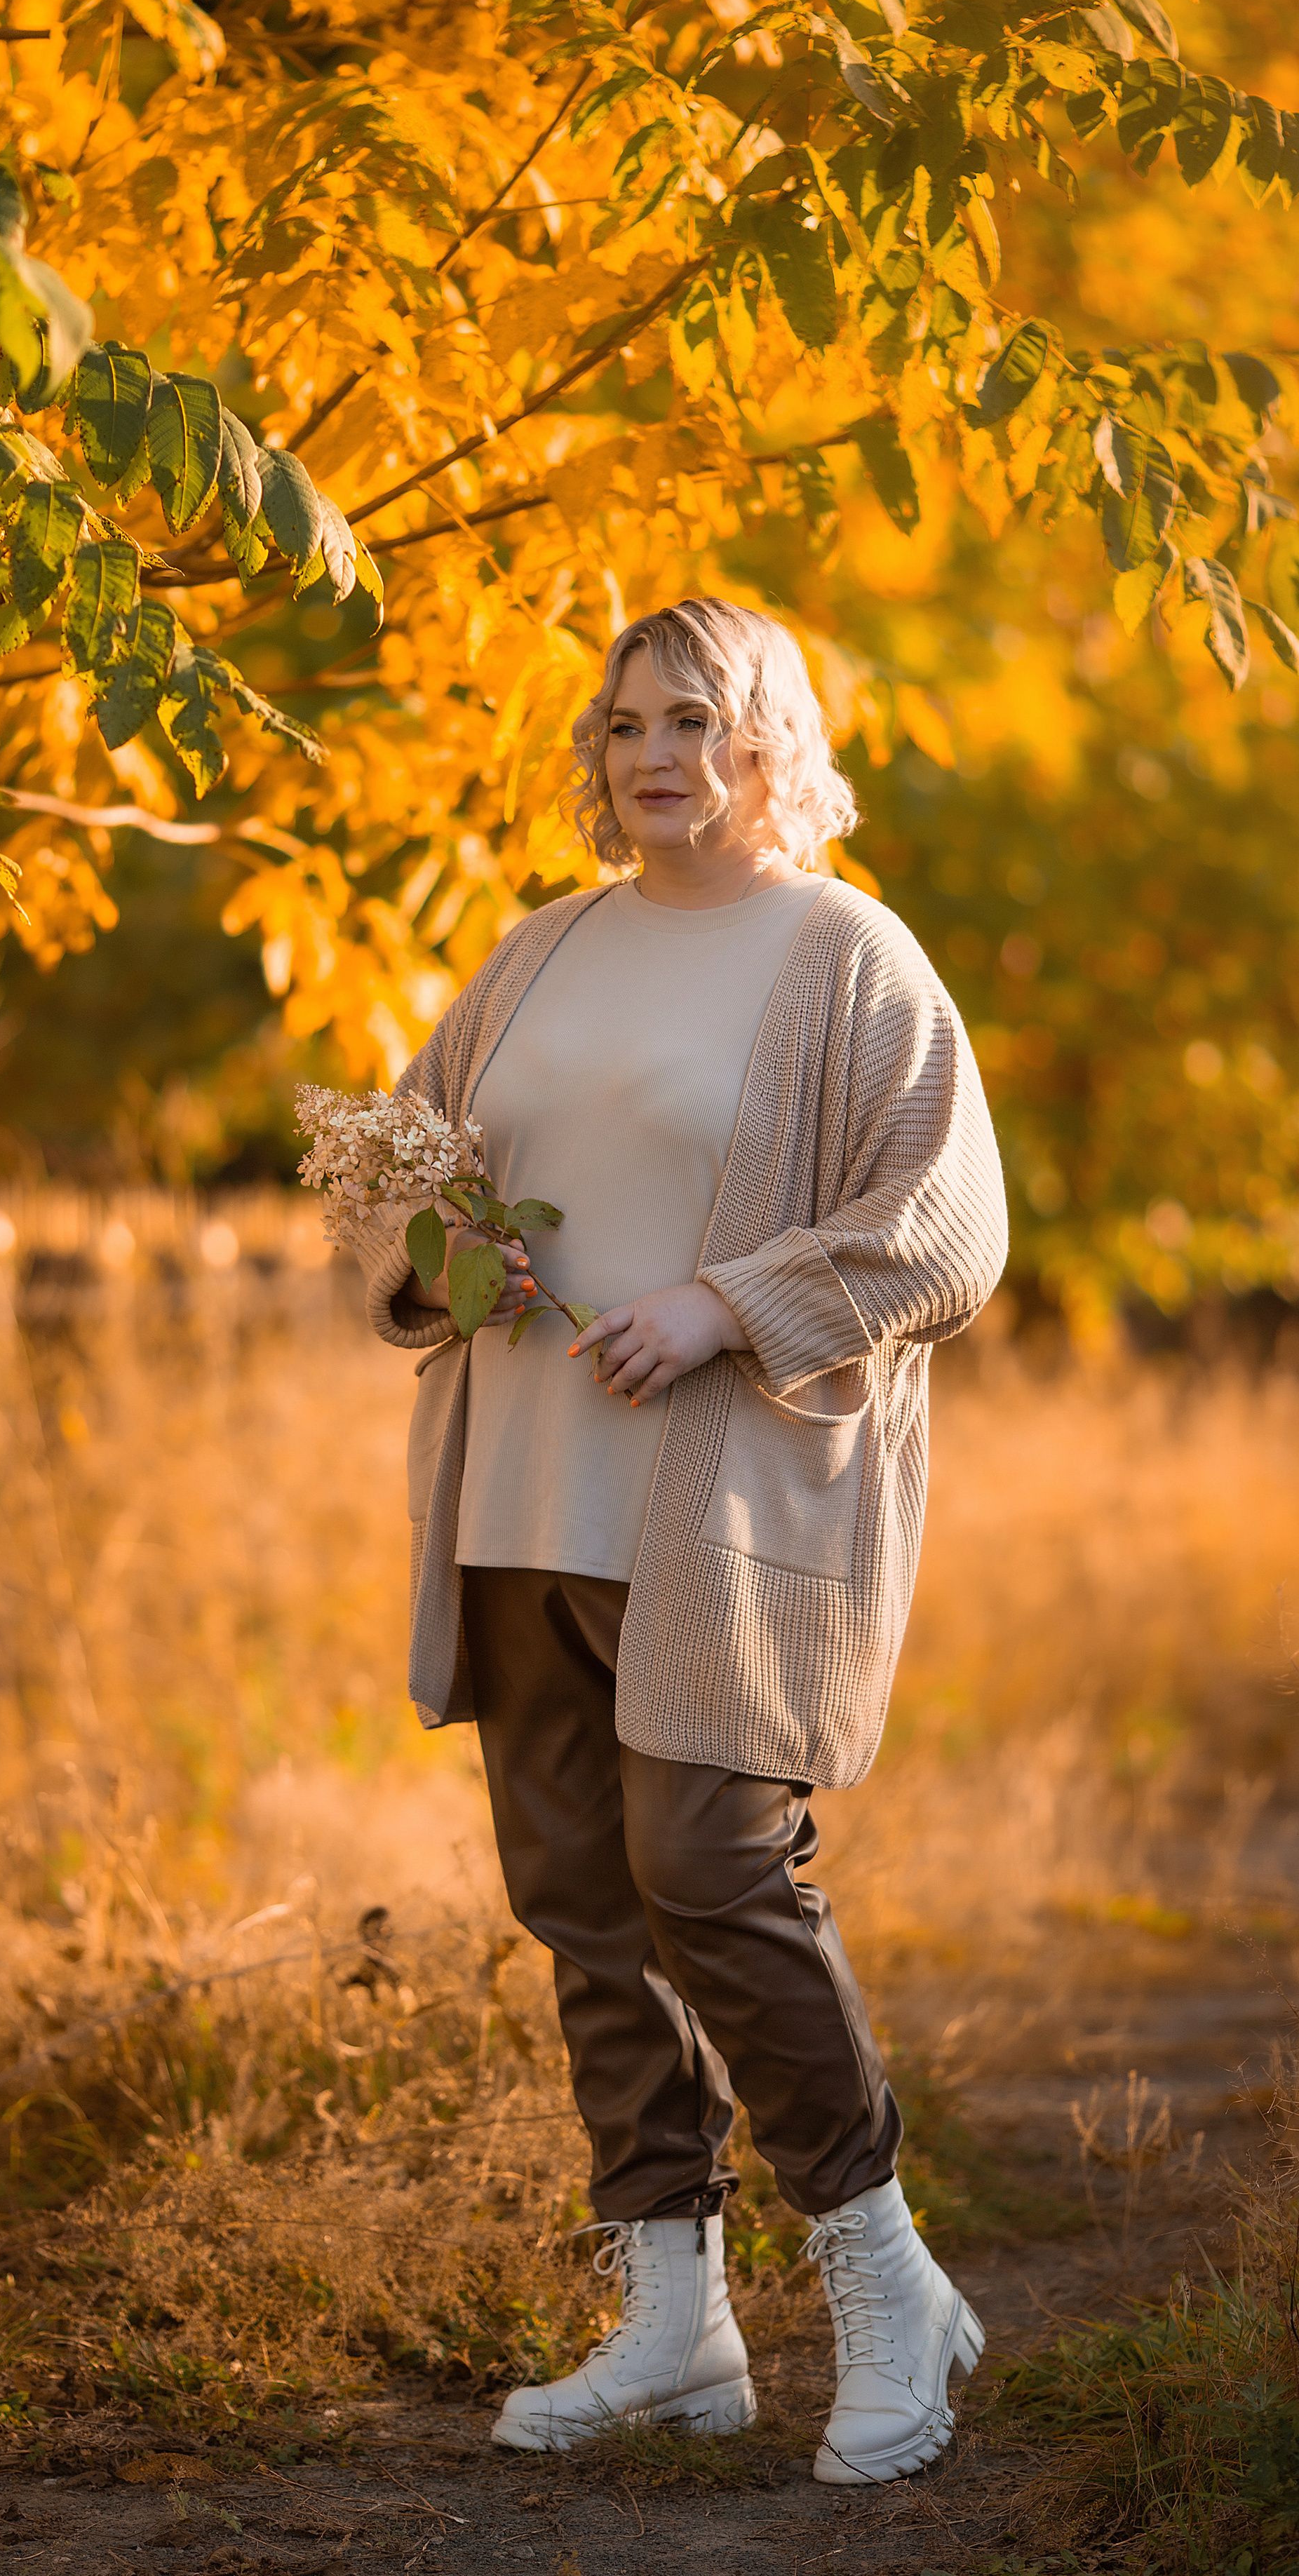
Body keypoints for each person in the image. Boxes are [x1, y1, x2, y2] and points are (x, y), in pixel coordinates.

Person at [348, 597, 1009, 2483]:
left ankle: (889, 2289)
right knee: (584, 1910)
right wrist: (432, 1251)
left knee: (710, 1875)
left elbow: (947, 1235)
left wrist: (730, 1303)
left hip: (719, 1523)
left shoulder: (850, 959)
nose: (656, 754)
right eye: (629, 720)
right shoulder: (539, 952)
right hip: (517, 1497)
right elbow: (398, 1169)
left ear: (769, 740)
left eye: (698, 719)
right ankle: (675, 2326)